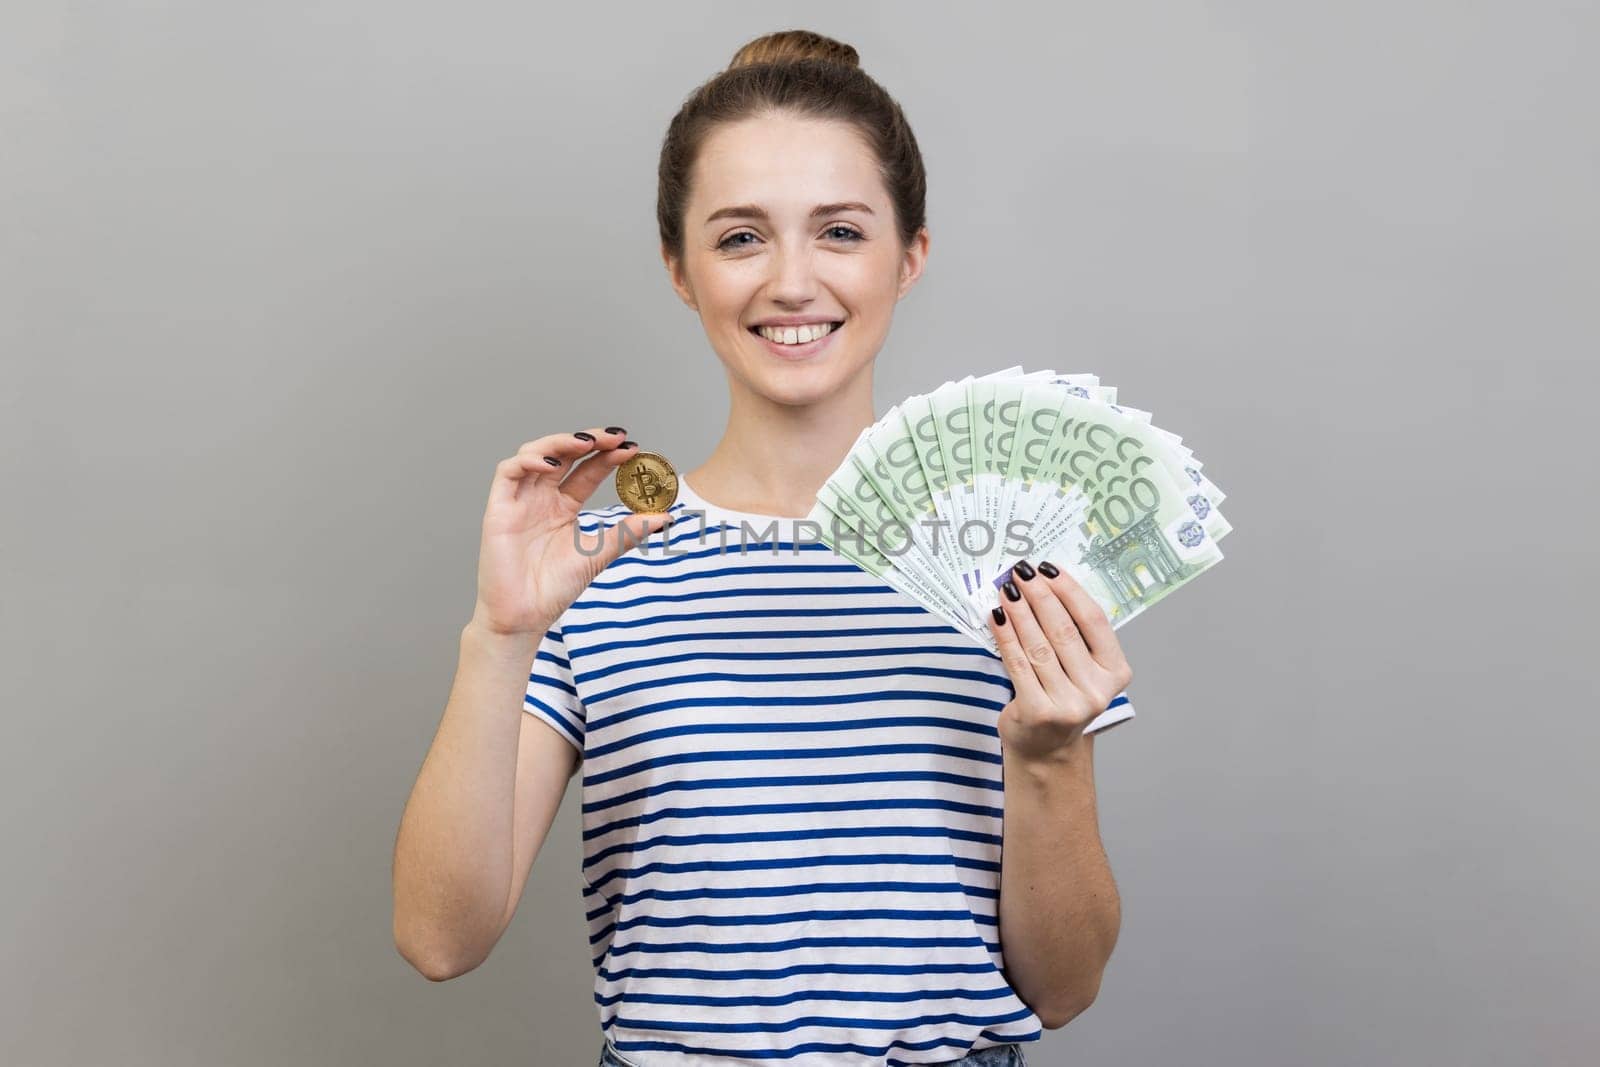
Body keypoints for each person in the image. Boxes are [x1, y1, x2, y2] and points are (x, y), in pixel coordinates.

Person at [393, 29, 1136, 1066]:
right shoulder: (591, 567)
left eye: (839, 231)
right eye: (740, 238)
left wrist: (1049, 753)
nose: (791, 280)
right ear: (679, 269)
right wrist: (500, 634)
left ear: (908, 256)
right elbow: (438, 937)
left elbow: (1063, 989)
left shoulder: (1008, 571)